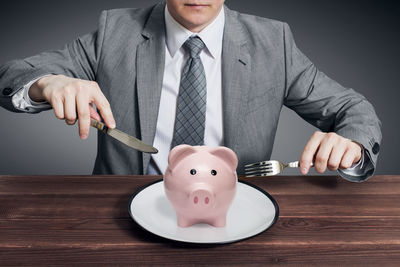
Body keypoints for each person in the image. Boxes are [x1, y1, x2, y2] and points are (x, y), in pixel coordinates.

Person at [0, 0, 381, 181]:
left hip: (236, 213)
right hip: (122, 212)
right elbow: (16, 74)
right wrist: (48, 83)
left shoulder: (273, 42)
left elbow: (353, 110)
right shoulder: (115, 30)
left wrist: (351, 145)